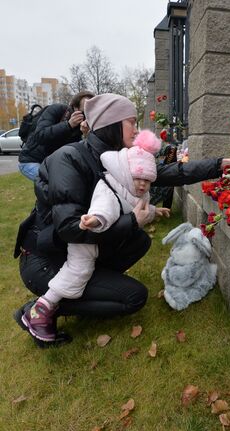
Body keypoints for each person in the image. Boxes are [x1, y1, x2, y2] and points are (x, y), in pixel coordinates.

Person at [13, 93, 230, 347]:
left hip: (78, 252)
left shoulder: (120, 158)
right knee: (134, 297)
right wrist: (131, 220)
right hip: (44, 259)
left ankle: (78, 289)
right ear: (111, 123)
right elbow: (69, 229)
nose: (137, 129)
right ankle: (40, 308)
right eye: (131, 121)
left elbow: (168, 171)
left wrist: (220, 166)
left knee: (138, 241)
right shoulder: (69, 158)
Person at [21, 129, 170, 342]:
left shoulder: (132, 189)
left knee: (130, 246)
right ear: (128, 174)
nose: (142, 184)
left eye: (147, 180)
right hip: (85, 240)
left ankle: (55, 303)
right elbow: (104, 207)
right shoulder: (109, 186)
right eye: (138, 178)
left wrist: (156, 211)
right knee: (77, 272)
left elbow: (138, 204)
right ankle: (40, 309)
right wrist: (95, 219)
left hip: (96, 240)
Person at [18, 90, 94, 181]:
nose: (87, 116)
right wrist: (68, 125)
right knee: (54, 184)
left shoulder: (85, 125)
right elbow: (40, 135)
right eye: (85, 111)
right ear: (75, 108)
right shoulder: (56, 110)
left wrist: (87, 135)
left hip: (52, 163)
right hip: (31, 160)